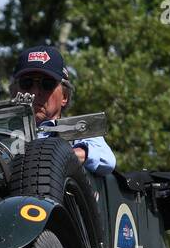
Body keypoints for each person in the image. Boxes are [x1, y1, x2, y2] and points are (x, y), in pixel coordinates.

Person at [11, 44, 115, 175]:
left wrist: (59, 154)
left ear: (64, 96)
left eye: (47, 84)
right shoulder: (1, 132)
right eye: (26, 83)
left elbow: (106, 159)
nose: (35, 92)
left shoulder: (78, 130)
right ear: (15, 91)